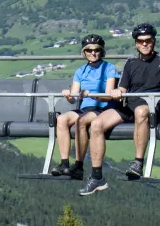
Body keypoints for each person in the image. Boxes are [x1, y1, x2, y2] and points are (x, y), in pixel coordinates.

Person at [80, 23, 160, 195]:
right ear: (136, 43)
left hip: (152, 107)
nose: (144, 44)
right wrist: (114, 93)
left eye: (148, 40)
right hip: (130, 105)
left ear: (154, 41)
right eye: (141, 41)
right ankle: (97, 177)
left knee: (141, 111)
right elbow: (122, 89)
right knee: (97, 124)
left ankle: (137, 163)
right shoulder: (130, 63)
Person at [49, 34, 118, 180]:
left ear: (101, 51)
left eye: (96, 50)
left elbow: (109, 95)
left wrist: (92, 95)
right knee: (61, 119)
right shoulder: (80, 71)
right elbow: (74, 98)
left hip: (102, 108)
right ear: (84, 52)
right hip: (85, 108)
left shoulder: (109, 68)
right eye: (89, 50)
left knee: (82, 121)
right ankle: (64, 163)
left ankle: (78, 165)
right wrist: (69, 96)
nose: (93, 53)